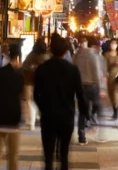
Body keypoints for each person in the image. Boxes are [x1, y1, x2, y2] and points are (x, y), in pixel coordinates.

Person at [34, 34, 87, 170]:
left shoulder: (42, 69)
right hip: (67, 115)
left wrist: (43, 107)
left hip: (48, 116)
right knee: (64, 153)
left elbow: (36, 94)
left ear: (51, 50)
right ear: (66, 51)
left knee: (48, 154)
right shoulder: (73, 70)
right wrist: (85, 114)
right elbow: (80, 94)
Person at [74, 36, 106, 145]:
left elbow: (73, 71)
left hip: (80, 87)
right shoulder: (94, 56)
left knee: (82, 112)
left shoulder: (77, 55)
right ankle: (94, 126)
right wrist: (101, 88)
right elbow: (97, 73)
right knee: (97, 107)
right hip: (93, 86)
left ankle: (81, 137)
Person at [22, 40, 50, 130]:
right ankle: (37, 118)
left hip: (29, 81)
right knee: (40, 101)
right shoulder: (47, 56)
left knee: (29, 101)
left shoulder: (31, 55)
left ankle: (31, 122)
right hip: (43, 83)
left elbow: (24, 65)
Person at [103, 39, 118, 119]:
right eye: (112, 43)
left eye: (115, 43)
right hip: (110, 77)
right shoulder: (106, 55)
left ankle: (116, 111)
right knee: (111, 95)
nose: (113, 45)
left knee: (116, 95)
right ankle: (115, 107)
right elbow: (104, 66)